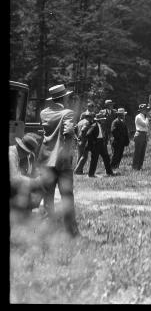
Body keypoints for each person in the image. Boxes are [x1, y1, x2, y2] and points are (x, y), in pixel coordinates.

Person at [38, 84, 80, 237]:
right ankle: (71, 232)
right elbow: (68, 131)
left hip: (45, 159)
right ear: (64, 97)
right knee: (67, 196)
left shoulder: (43, 113)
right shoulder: (68, 113)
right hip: (61, 161)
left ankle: (49, 230)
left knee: (47, 196)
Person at [10, 133, 45, 214]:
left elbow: (32, 172)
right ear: (22, 149)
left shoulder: (20, 155)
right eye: (27, 152)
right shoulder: (11, 155)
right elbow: (13, 178)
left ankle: (26, 212)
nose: (28, 154)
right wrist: (33, 181)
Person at [85, 110, 115, 177]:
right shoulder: (94, 125)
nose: (103, 120)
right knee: (94, 159)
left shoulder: (100, 125)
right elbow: (88, 134)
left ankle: (109, 172)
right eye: (102, 119)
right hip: (96, 144)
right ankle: (91, 174)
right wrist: (94, 141)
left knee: (106, 157)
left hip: (101, 143)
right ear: (98, 119)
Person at [132, 104, 150, 170]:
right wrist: (148, 117)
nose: (146, 111)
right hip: (139, 134)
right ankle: (135, 167)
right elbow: (145, 124)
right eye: (145, 109)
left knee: (142, 151)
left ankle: (140, 166)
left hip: (144, 134)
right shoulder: (138, 117)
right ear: (142, 110)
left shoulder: (144, 117)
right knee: (138, 152)